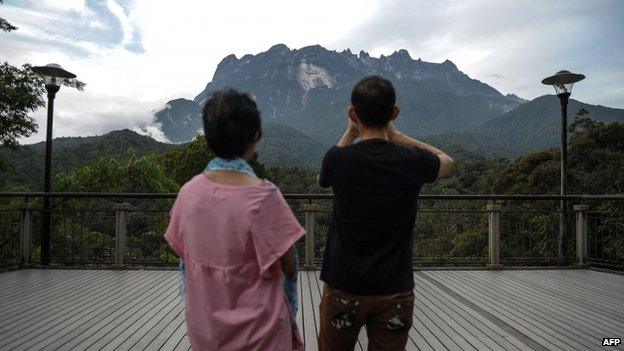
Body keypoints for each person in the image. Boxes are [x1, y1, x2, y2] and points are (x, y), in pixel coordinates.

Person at [317, 75, 454, 351]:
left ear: (352, 114)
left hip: (344, 286)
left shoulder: (338, 159)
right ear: (394, 113)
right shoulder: (411, 161)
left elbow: (322, 177)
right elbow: (447, 160)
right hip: (395, 289)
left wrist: (350, 133)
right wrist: (398, 136)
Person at [164, 89, 305, 350]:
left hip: (205, 332)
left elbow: (184, 253)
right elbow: (288, 263)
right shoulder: (265, 197)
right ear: (256, 136)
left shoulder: (188, 194)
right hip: (261, 335)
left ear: (208, 137)